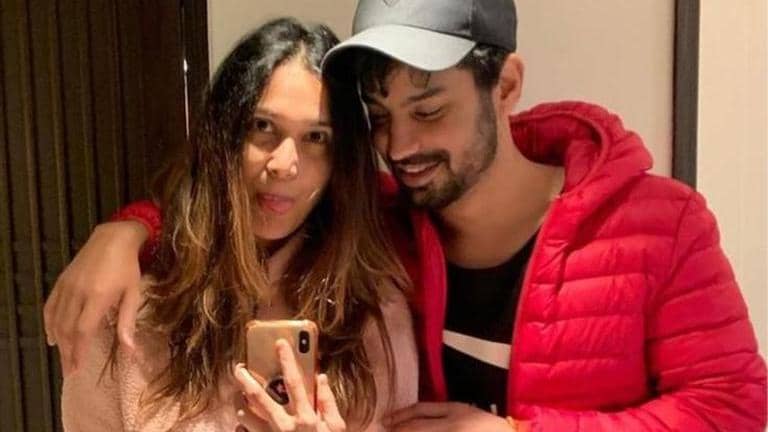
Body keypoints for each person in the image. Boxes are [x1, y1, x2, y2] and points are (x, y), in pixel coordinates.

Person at [48, 1, 767, 431]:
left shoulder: (658, 225)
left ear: (505, 85)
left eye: (429, 110)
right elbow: (249, 200)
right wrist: (128, 229)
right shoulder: (382, 230)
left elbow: (735, 413)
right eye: (381, 117)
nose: (400, 146)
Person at [57, 17, 418, 432]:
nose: (284, 164)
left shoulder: (374, 315)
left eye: (317, 137)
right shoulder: (127, 311)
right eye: (262, 127)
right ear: (222, 135)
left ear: (341, 161)